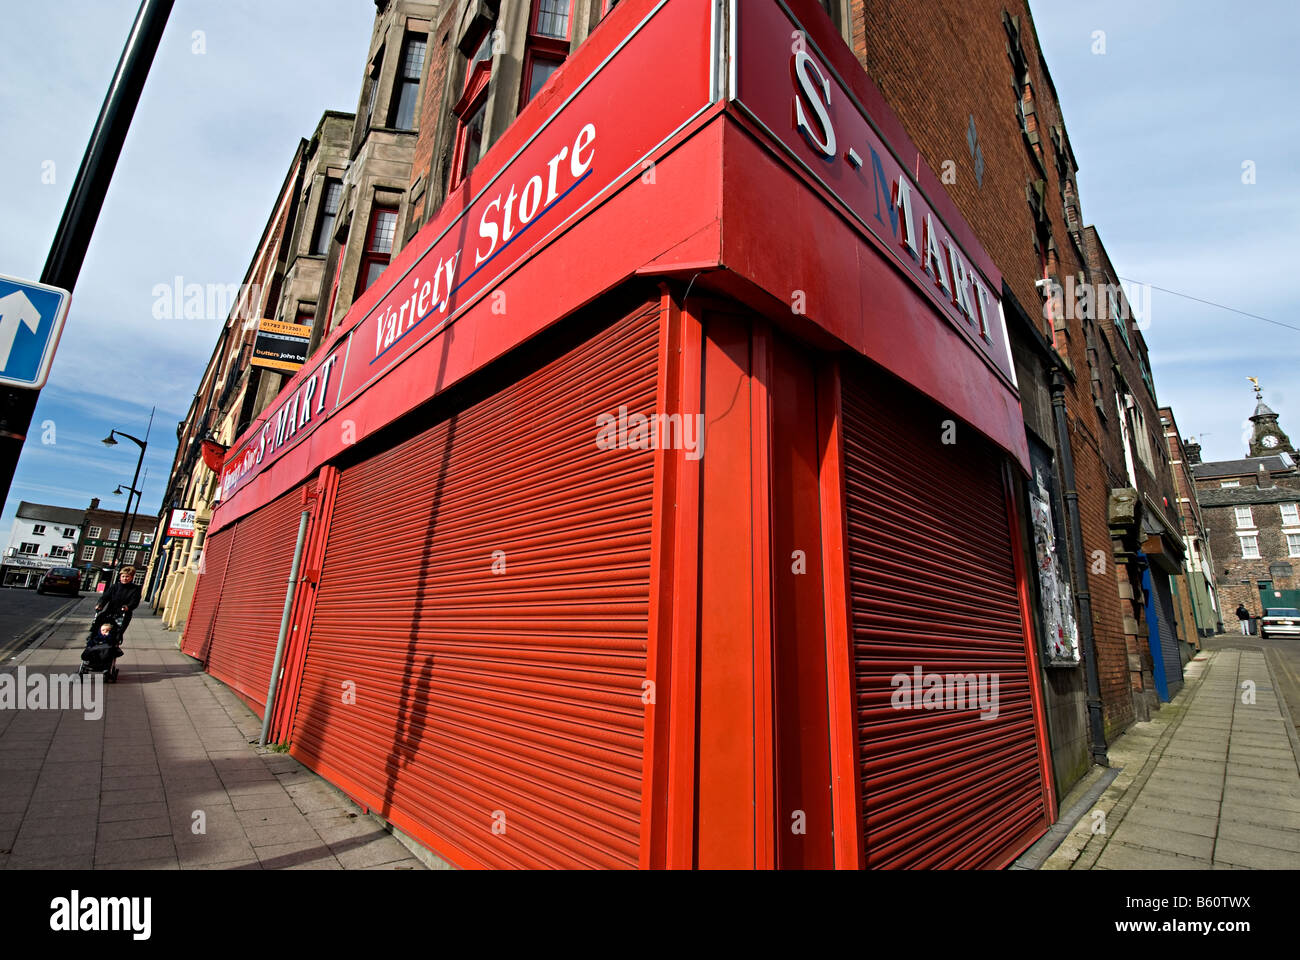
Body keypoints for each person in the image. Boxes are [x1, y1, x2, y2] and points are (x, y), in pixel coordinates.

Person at [96, 566, 142, 637]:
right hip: (110, 611)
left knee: (117, 634)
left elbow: (135, 601)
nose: (124, 578)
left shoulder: (135, 589)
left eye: (127, 576)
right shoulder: (115, 586)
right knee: (99, 625)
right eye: (123, 576)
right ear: (120, 577)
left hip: (123, 614)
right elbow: (105, 597)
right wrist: (100, 604)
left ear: (131, 577)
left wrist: (128, 607)